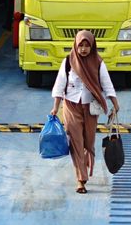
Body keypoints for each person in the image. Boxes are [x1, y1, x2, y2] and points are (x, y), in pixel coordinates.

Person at [50, 30, 119, 194]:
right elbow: (60, 86)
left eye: (87, 45)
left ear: (92, 46)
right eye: (80, 45)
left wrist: (115, 105)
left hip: (90, 108)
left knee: (88, 142)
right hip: (71, 106)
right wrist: (55, 107)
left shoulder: (98, 63)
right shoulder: (68, 62)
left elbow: (107, 84)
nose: (83, 49)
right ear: (75, 45)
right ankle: (81, 179)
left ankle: (85, 165)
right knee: (76, 143)